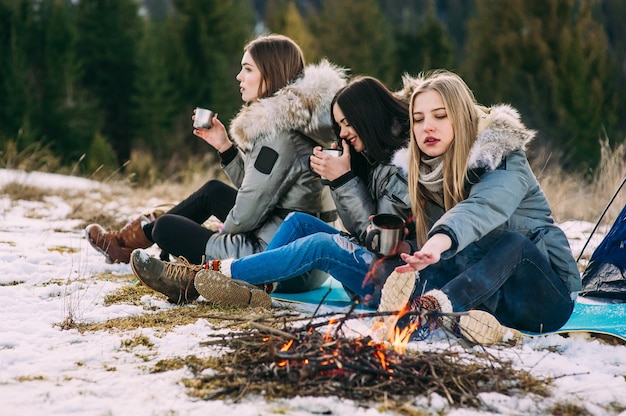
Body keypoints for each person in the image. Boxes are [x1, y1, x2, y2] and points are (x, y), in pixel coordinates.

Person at [85, 34, 347, 303]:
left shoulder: (280, 137)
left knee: (167, 228)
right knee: (212, 192)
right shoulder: (300, 124)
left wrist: (218, 239)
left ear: (271, 74)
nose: (238, 77)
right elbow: (264, 188)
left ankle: (137, 242)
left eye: (247, 69)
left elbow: (247, 212)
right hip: (306, 259)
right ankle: (128, 244)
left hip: (280, 263)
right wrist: (225, 148)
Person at [130, 76, 417, 308]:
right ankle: (252, 284)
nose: (341, 133)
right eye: (339, 125)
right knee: (298, 223)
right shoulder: (370, 156)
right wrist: (226, 149)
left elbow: (379, 243)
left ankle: (201, 278)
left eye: (248, 69)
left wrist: (342, 181)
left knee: (319, 243)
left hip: (389, 282)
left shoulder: (398, 167)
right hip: (347, 262)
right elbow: (253, 191)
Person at [374, 70, 581, 346]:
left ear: (461, 116)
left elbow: (481, 208)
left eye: (440, 115)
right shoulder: (426, 171)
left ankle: (435, 308)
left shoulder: (505, 158)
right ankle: (410, 314)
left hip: (543, 297)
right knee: (400, 267)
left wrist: (438, 241)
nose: (427, 127)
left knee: (513, 244)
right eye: (418, 119)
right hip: (485, 291)